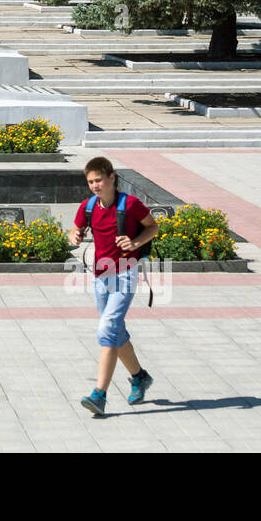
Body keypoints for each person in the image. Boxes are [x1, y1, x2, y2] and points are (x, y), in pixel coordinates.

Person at [69, 156, 159, 415]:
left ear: (111, 178)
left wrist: (136, 243)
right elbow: (75, 230)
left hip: (125, 274)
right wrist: (74, 235)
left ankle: (99, 395)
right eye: (90, 182)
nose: (95, 185)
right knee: (116, 332)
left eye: (99, 180)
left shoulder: (129, 204)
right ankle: (140, 377)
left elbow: (152, 227)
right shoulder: (88, 206)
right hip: (100, 276)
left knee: (107, 330)